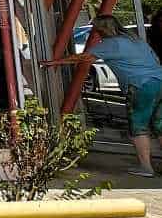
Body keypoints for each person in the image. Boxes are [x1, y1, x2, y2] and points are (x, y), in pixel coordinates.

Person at [45, 15, 162, 177]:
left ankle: (146, 168)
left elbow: (83, 58)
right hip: (159, 80)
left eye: (96, 29)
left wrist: (53, 62)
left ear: (101, 30)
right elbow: (155, 59)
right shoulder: (136, 40)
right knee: (159, 125)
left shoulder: (109, 44)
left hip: (140, 85)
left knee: (139, 126)